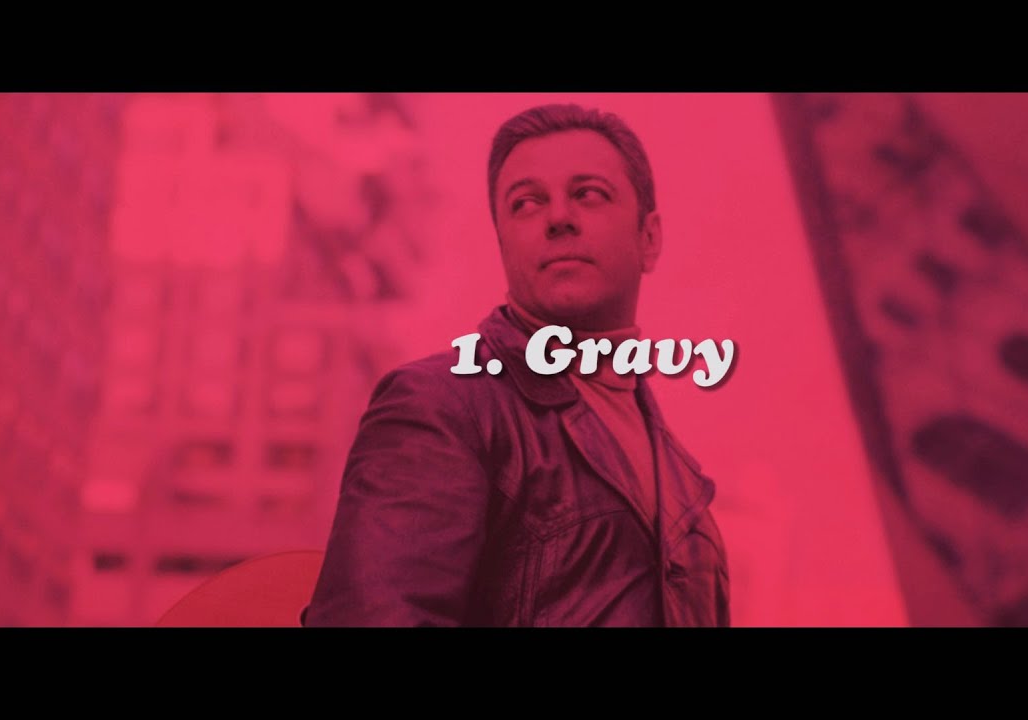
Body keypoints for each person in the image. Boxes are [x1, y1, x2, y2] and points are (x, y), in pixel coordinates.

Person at [304, 103, 731, 627]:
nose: (558, 217)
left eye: (588, 194)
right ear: (503, 242)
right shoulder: (442, 406)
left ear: (650, 238)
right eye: (526, 203)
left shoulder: (683, 480)